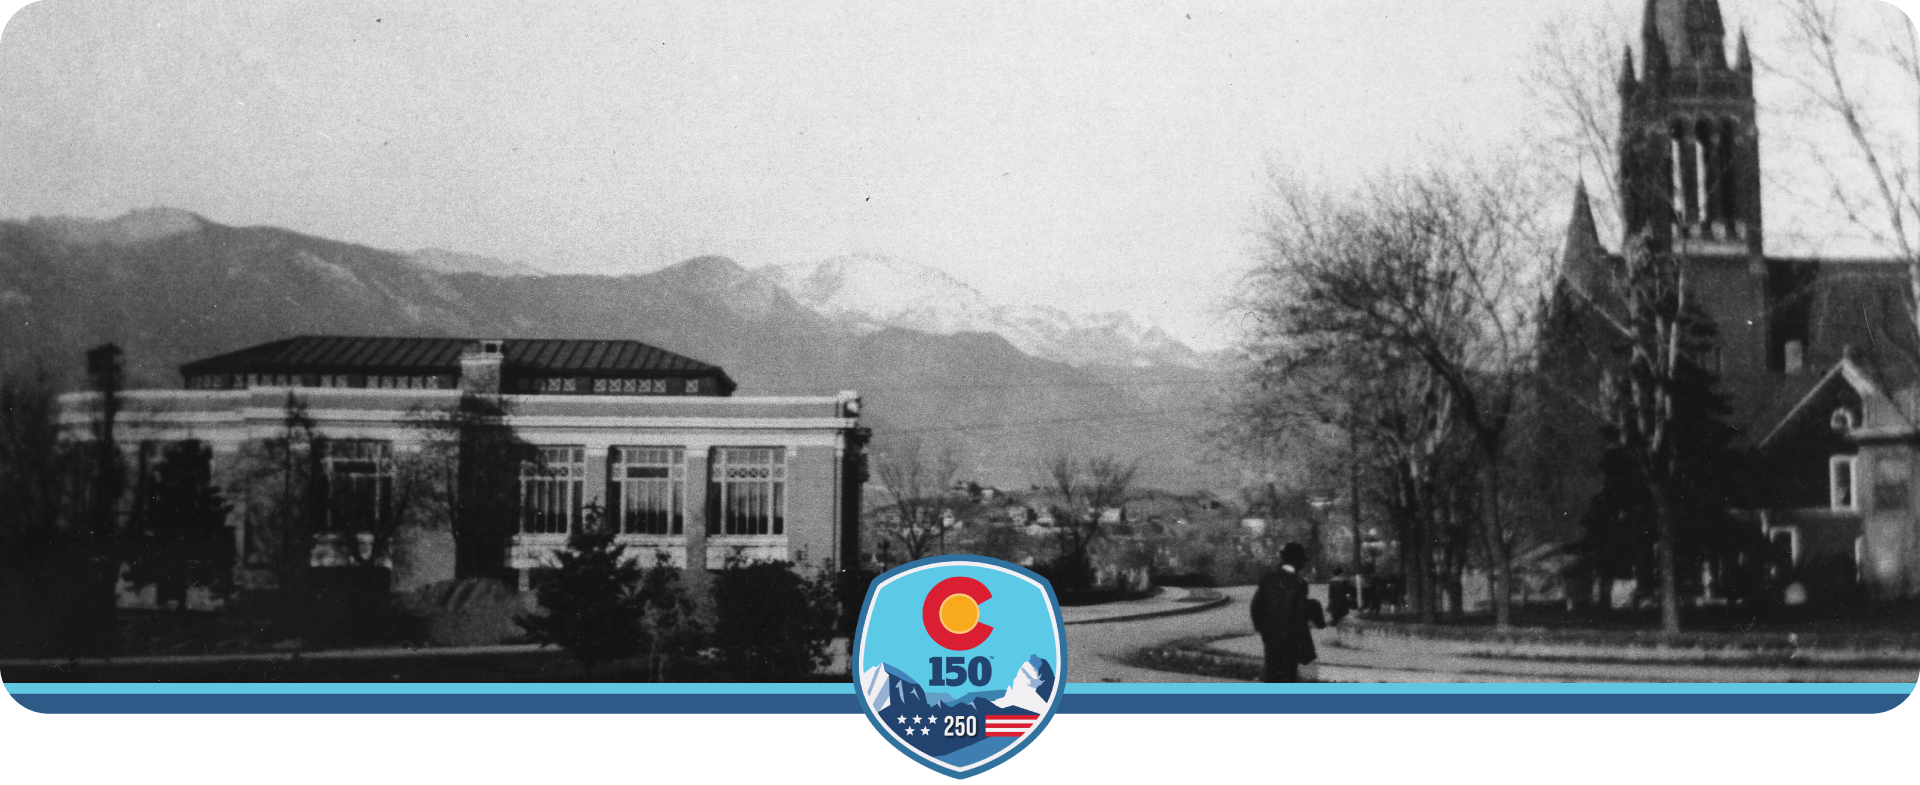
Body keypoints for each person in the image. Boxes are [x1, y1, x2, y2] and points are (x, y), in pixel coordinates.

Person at [1250, 542, 1316, 683]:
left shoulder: (1268, 579)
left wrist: (1263, 630)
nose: (1303, 566)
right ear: (1297, 562)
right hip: (1291, 639)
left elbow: (1255, 607)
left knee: (1272, 672)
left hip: (1271, 637)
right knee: (1288, 675)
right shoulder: (1299, 583)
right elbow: (1301, 612)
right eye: (1302, 562)